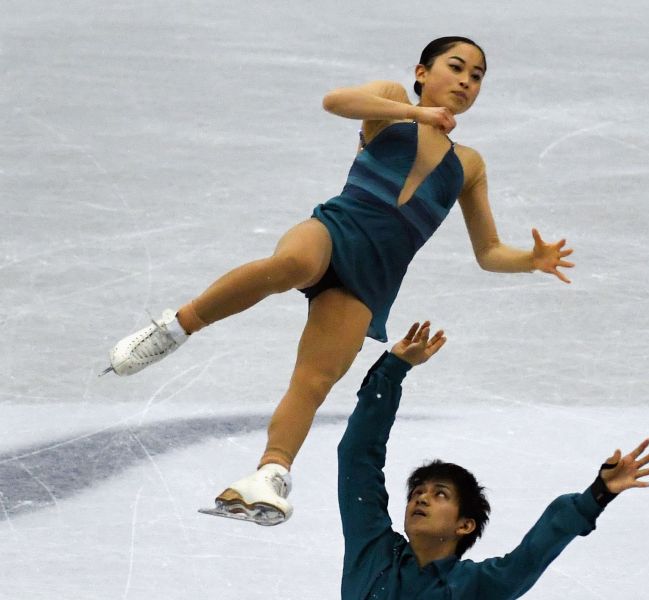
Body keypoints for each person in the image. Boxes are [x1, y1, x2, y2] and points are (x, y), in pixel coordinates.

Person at [103, 36, 575, 524]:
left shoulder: (469, 165)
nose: (465, 81)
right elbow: (335, 102)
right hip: (335, 231)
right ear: (421, 73)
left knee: (315, 379)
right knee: (289, 265)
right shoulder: (391, 102)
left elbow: (488, 252)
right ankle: (176, 327)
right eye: (456, 67)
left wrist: (530, 260)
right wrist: (419, 116)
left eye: (476, 77)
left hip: (372, 279)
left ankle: (270, 474)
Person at [339, 321, 649, 598]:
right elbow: (357, 458)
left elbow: (538, 547)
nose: (421, 497)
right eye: (417, 492)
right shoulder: (371, 548)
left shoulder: (478, 586)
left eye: (440, 494)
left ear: (465, 524)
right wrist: (392, 369)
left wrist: (597, 494)